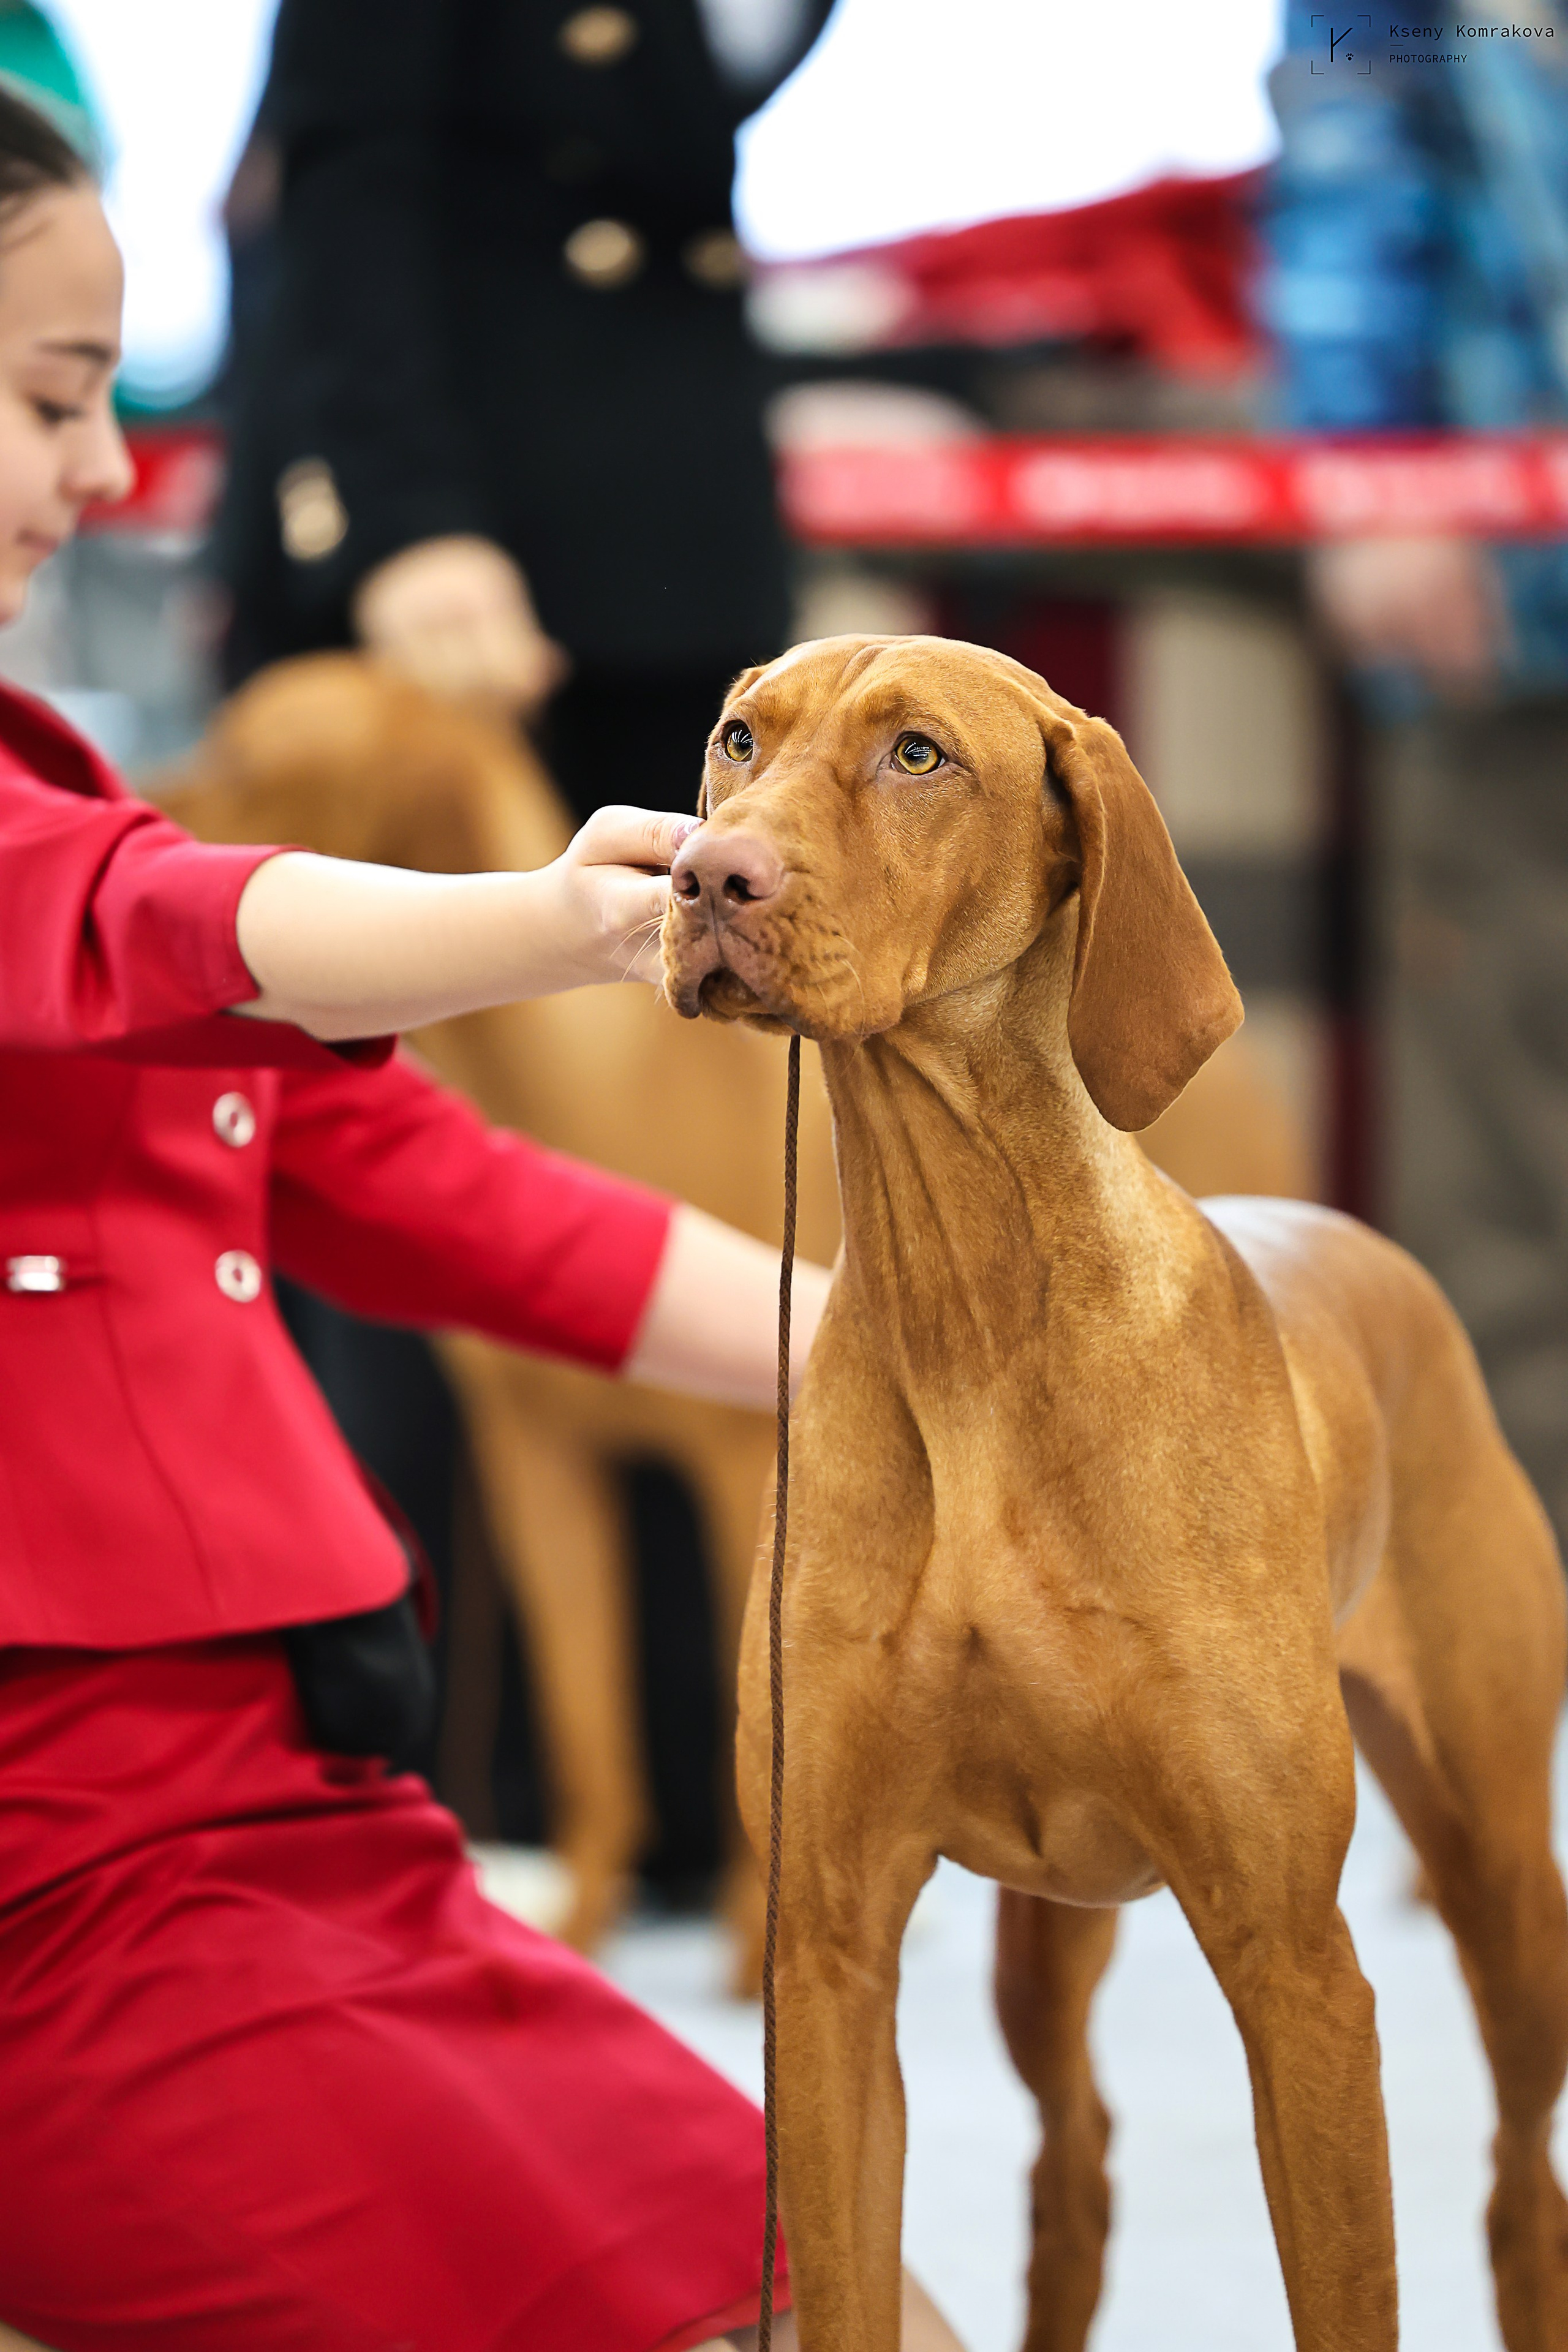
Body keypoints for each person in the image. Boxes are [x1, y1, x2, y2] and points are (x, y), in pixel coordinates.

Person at [0, 90, 963, 2352]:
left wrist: (942, 1359)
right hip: (62, 1896)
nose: (110, 470)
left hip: (302, 1822)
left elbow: (442, 1197)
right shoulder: (91, 855)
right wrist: (550, 919)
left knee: (826, 2277)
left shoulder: (53, 772)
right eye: (52, 403)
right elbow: (166, 921)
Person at [1263, 2, 1568, 1551]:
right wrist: (1372, 470)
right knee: (1511, 1168)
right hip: (1509, 624)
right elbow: (1346, 162)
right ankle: (1524, 1624)